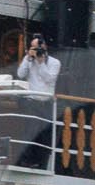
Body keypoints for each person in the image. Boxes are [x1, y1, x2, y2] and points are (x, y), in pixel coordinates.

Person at [12, 33, 61, 169]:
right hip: (32, 101)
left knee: (44, 134)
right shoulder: (29, 60)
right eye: (32, 47)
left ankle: (40, 162)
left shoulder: (55, 63)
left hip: (46, 103)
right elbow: (20, 74)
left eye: (37, 47)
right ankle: (25, 160)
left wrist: (40, 63)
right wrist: (28, 58)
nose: (36, 51)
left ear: (44, 47)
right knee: (30, 130)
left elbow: (49, 79)